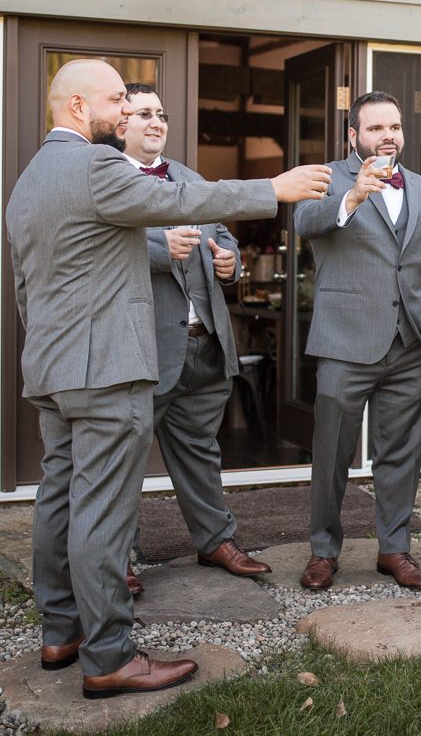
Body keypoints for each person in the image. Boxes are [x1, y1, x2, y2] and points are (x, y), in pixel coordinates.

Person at [7, 59, 330, 698]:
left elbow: (26, 286)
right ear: (77, 107)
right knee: (100, 514)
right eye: (117, 102)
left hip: (54, 368)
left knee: (59, 499)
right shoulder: (96, 165)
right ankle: (109, 657)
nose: (126, 113)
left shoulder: (29, 181)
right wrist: (275, 188)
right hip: (107, 373)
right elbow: (182, 199)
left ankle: (61, 632)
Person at [293, 91, 421, 590]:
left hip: (411, 344)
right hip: (345, 342)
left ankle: (395, 549)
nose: (388, 136)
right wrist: (353, 196)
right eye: (376, 128)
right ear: (353, 135)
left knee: (401, 453)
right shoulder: (326, 177)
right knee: (332, 453)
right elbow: (304, 223)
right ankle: (323, 551)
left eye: (395, 127)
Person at [121, 83, 270, 593]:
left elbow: (222, 236)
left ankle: (215, 541)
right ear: (121, 123)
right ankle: (116, 559)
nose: (157, 122)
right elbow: (104, 242)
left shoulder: (187, 177)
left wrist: (229, 264)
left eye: (161, 113)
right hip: (144, 349)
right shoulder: (107, 179)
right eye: (144, 113)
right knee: (124, 459)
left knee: (201, 450)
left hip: (204, 343)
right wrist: (164, 246)